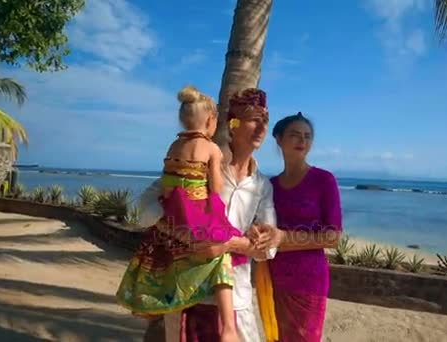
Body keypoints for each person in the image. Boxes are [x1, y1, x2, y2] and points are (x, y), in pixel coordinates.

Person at [137, 88, 277, 342]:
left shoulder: (262, 185)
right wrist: (182, 231)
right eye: (254, 119)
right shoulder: (197, 165)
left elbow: (267, 250)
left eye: (265, 120)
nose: (262, 127)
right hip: (189, 295)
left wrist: (230, 242)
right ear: (232, 124)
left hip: (237, 299)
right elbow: (142, 210)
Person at [116, 85, 250, 342]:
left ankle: (157, 299)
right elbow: (217, 186)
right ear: (211, 121)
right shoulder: (212, 149)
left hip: (174, 207)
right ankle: (229, 327)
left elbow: (167, 186)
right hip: (197, 209)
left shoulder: (173, 145)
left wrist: (170, 209)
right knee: (223, 249)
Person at [253, 112, 343, 342]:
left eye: (307, 136)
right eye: (295, 135)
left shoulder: (323, 180)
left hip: (309, 280)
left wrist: (283, 238)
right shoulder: (269, 185)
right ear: (279, 139)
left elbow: (333, 237)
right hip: (274, 276)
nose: (302, 141)